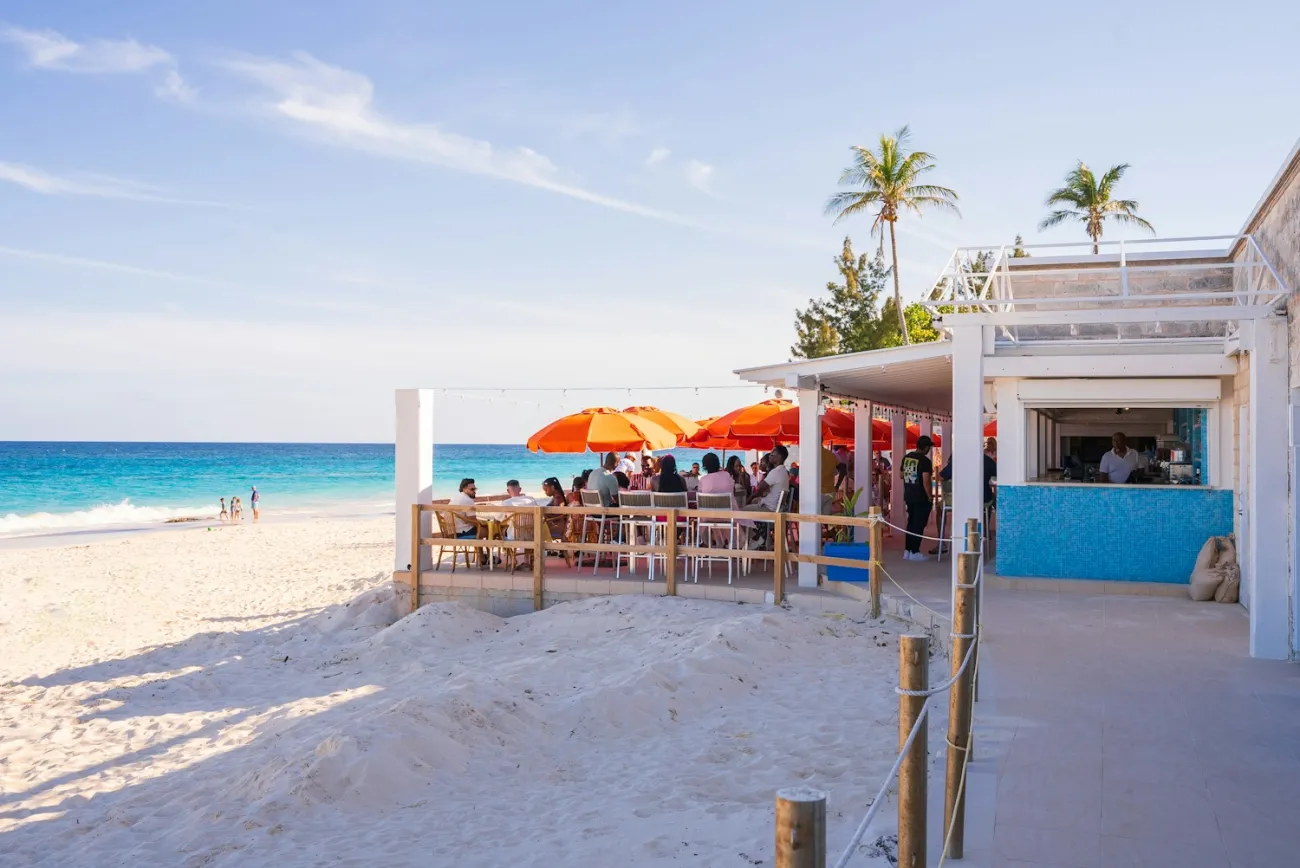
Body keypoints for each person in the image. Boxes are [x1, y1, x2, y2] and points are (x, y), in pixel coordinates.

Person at [901, 436, 935, 560]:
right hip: (921, 497)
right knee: (919, 525)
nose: (929, 450)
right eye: (929, 447)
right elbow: (926, 481)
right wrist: (930, 496)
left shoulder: (907, 457)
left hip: (909, 495)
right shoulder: (925, 461)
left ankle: (908, 551)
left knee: (911, 523)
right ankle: (915, 552)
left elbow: (901, 474)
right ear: (925, 447)